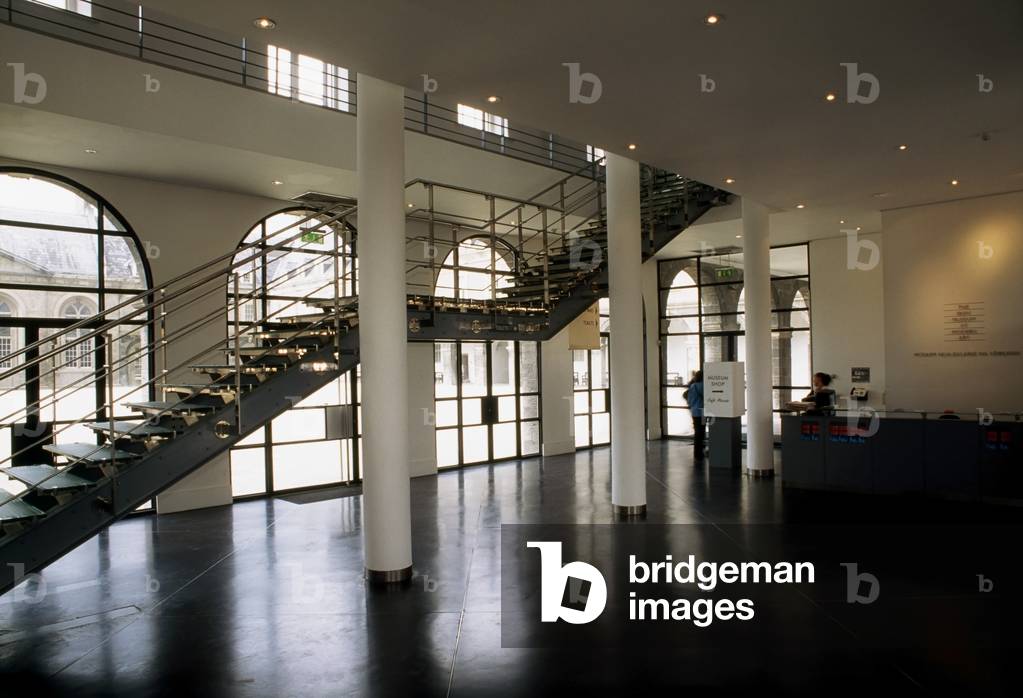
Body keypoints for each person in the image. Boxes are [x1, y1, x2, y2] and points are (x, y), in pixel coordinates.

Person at [684, 369, 705, 460]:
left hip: (694, 411)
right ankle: (699, 452)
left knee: (697, 431)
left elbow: (689, 400)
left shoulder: (692, 386)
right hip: (702, 411)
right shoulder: (702, 385)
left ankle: (697, 452)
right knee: (701, 431)